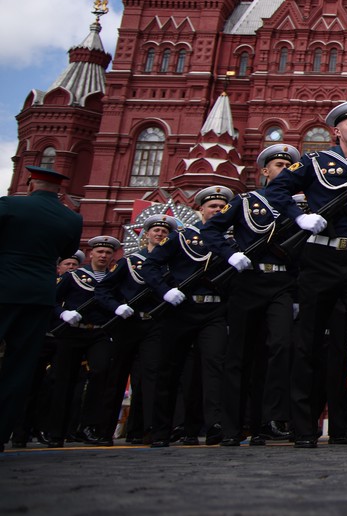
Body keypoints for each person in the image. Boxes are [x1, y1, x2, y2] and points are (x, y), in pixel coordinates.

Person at [262, 100, 347, 449]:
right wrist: (299, 216)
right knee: (308, 344)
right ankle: (303, 425)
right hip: (320, 256)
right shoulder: (314, 162)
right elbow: (275, 190)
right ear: (337, 131)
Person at [202, 144, 303, 446]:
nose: (284, 168)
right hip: (249, 281)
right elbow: (211, 231)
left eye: (288, 164)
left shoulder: (296, 207)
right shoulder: (245, 203)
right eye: (278, 164)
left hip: (282, 284)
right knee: (240, 355)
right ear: (264, 171)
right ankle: (233, 426)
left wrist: (297, 293)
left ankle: (270, 419)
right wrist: (231, 254)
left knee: (281, 346)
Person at [142, 185, 233, 447]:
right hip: (181, 309)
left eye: (221, 206)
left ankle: (213, 425)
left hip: (214, 311)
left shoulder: (230, 243)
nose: (217, 210)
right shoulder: (180, 237)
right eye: (212, 206)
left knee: (214, 366)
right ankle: (162, 430)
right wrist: (165, 291)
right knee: (170, 368)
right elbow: (151, 265)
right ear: (200, 209)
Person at [0, 166, 82, 450]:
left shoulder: (9, 205)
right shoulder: (71, 218)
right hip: (39, 295)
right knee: (20, 365)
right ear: (59, 191)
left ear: (30, 183)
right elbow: (68, 251)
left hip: (4, 287)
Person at [98, 215, 173, 444]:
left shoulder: (170, 264)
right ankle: (104, 432)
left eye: (163, 231)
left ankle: (145, 429)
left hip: (154, 323)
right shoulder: (129, 262)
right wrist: (117, 307)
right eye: (155, 230)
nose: (159, 233)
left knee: (150, 377)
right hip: (128, 324)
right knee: (117, 376)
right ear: (146, 234)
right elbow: (103, 290)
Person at [46, 236, 122, 446]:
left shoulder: (115, 277)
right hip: (72, 332)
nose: (104, 256)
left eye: (108, 253)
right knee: (64, 380)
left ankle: (89, 427)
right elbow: (51, 299)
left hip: (99, 333)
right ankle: (56, 431)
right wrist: (63, 314)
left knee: (100, 373)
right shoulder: (74, 276)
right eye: (99, 252)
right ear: (91, 254)